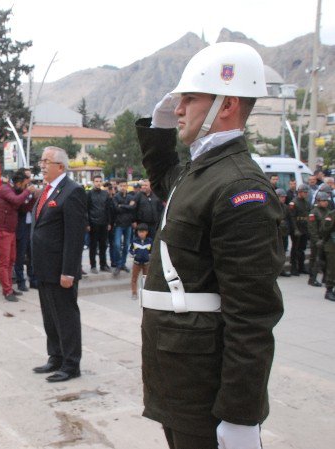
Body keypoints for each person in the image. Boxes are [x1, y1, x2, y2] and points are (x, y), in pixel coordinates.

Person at [137, 42, 283, 448]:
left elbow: (252, 315)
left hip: (205, 384)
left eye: (189, 98)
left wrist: (239, 415)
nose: (179, 108)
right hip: (178, 372)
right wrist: (160, 123)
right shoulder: (200, 173)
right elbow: (164, 175)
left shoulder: (239, 187)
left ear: (226, 105)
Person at [31, 146, 86, 383]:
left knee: (65, 317)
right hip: (44, 267)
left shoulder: (72, 191)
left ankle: (71, 364)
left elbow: (74, 237)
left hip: (60, 269)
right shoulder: (48, 190)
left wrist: (68, 271)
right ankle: (55, 356)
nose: (42, 165)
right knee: (50, 316)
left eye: (46, 161)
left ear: (60, 167)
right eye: (41, 161)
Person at [0, 170, 36, 301]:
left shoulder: (14, 190)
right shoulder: (5, 189)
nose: (25, 188)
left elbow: (23, 208)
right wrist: (28, 192)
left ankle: (9, 287)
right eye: (24, 185)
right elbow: (16, 201)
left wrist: (32, 197)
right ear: (18, 183)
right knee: (4, 263)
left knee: (11, 260)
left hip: (10, 230)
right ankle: (7, 291)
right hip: (1, 230)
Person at [14, 168, 36, 292]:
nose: (29, 179)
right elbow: (22, 207)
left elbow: (33, 204)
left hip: (30, 226)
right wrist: (28, 195)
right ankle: (20, 281)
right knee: (20, 257)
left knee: (31, 255)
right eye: (26, 177)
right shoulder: (18, 191)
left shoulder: (31, 190)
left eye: (29, 177)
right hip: (20, 227)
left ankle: (33, 279)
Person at [86, 175, 112, 273]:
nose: (98, 183)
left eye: (100, 181)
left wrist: (109, 222)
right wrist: (87, 223)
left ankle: (103, 264)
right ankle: (93, 266)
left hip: (104, 223)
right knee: (93, 246)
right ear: (93, 182)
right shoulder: (89, 194)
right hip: (93, 223)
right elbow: (86, 209)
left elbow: (108, 209)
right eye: (96, 181)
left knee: (103, 245)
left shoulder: (105, 194)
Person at [307, 191, 330, 287]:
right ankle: (312, 279)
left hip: (325, 240)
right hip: (316, 240)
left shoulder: (328, 211)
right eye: (323, 200)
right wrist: (316, 241)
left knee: (326, 260)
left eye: (326, 200)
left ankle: (326, 278)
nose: (325, 202)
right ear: (318, 201)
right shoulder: (313, 212)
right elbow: (312, 229)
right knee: (316, 260)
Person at [112, 181, 135, 275]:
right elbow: (116, 209)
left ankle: (123, 264)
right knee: (117, 245)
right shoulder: (116, 197)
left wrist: (122, 206)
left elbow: (132, 208)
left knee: (126, 246)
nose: (123, 187)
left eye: (124, 185)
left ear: (127, 186)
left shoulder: (130, 197)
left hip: (128, 224)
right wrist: (127, 206)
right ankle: (118, 264)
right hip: (118, 224)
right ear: (118, 186)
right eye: (121, 185)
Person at [289, 184, 311, 275]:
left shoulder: (306, 202)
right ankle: (294, 268)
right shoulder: (293, 203)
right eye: (304, 192)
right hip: (297, 228)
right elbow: (292, 217)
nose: (306, 194)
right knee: (295, 249)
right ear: (300, 192)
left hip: (304, 228)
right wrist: (295, 229)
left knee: (302, 249)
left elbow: (308, 216)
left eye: (306, 192)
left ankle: (301, 267)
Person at [129, 223, 152, 300]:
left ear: (146, 232)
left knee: (146, 279)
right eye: (139, 232)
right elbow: (131, 250)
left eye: (143, 232)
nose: (141, 234)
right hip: (137, 263)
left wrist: (149, 255)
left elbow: (152, 250)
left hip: (146, 263)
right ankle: (134, 293)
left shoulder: (149, 241)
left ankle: (146, 293)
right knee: (134, 278)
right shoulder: (134, 241)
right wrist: (133, 254)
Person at [275, 189, 293, 277]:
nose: (283, 199)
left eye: (284, 197)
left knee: (283, 252)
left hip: (284, 233)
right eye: (281, 197)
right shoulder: (272, 206)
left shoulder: (285, 207)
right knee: (276, 252)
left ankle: (282, 269)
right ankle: (277, 270)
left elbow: (289, 219)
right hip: (276, 234)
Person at [320, 207, 335, 301]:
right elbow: (325, 230)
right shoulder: (332, 214)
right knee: (332, 268)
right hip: (332, 245)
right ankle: (329, 290)